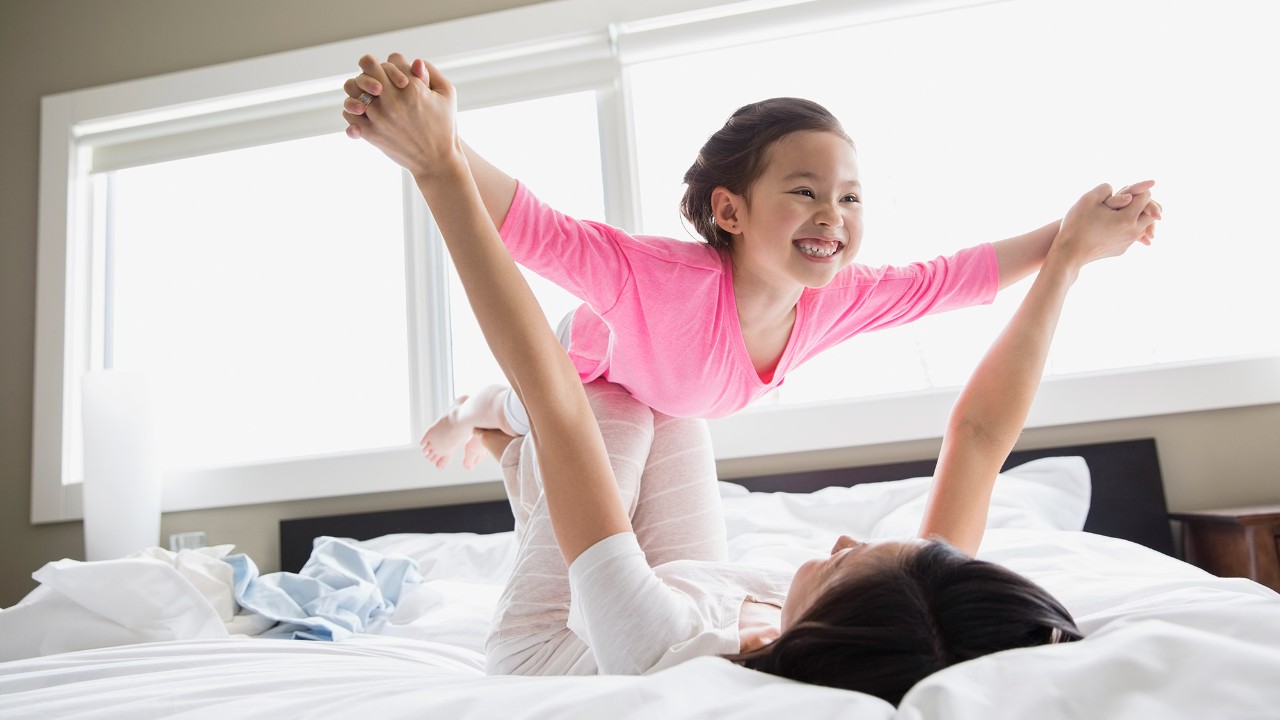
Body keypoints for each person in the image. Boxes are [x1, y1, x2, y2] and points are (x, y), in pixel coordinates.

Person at [343, 56, 1160, 705]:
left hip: (546, 634)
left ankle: (485, 417)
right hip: (628, 372)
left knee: (609, 422)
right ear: (731, 211)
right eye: (806, 191)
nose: (843, 542)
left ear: (826, 626)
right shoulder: (899, 618)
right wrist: (1067, 256)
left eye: (844, 565)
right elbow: (979, 438)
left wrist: (438, 165)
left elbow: (555, 400)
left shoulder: (653, 640)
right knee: (661, 411)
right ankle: (498, 428)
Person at [341, 54, 1154, 470]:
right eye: (804, 192)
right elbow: (535, 228)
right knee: (535, 409)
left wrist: (1074, 234)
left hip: (675, 394)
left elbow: (954, 280)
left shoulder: (835, 299)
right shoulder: (659, 275)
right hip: (592, 362)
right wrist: (440, 143)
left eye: (850, 197)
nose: (832, 214)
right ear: (730, 211)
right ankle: (469, 408)